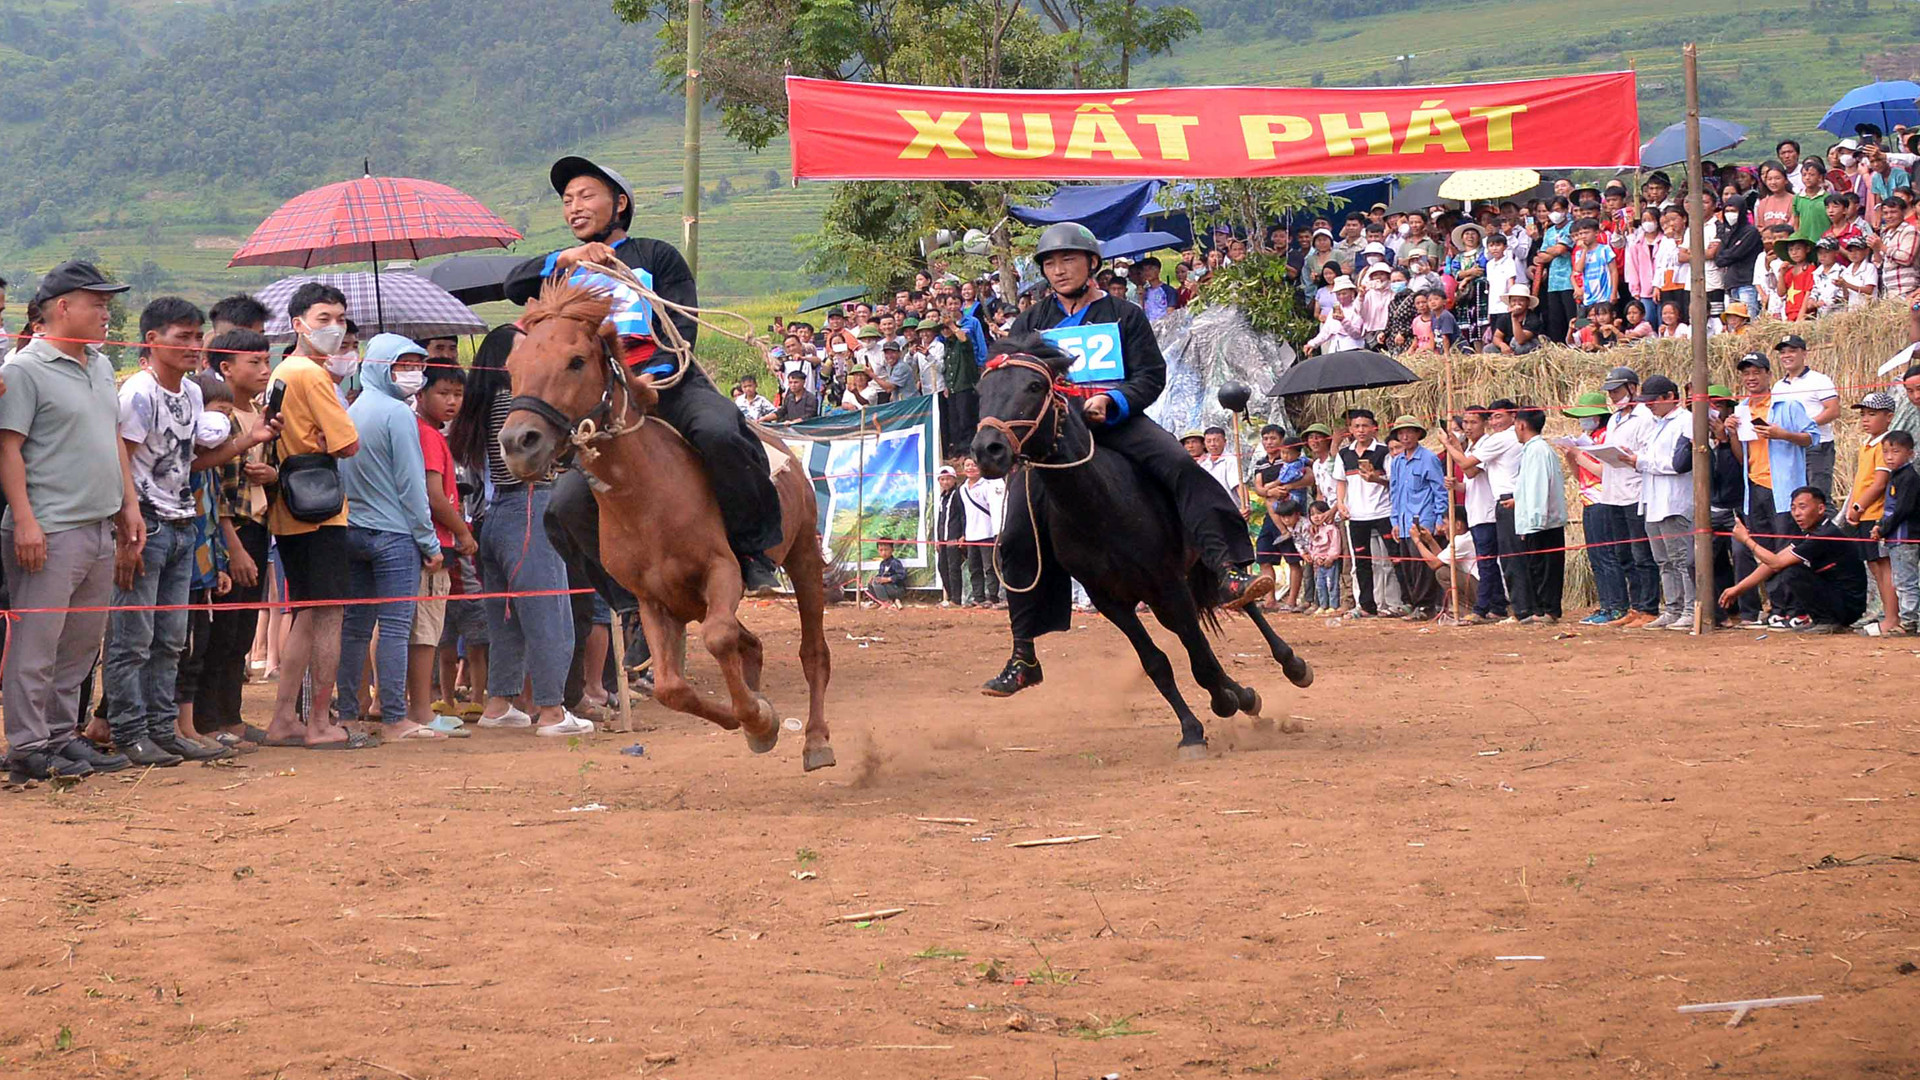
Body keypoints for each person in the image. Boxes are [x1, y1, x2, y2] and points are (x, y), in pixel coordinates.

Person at [982, 222, 1270, 695]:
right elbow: (1009, 377)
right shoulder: (1030, 322)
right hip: (1055, 439)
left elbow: (1150, 376)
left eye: (1068, 260)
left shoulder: (1123, 313)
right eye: (1051, 263)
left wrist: (1113, 401)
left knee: (1181, 467)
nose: (1059, 270)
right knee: (1015, 534)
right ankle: (1023, 654)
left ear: (1091, 264)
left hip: (1118, 423)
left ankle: (1230, 569)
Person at [504, 156, 782, 596]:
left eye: (586, 195)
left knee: (721, 432)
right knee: (563, 507)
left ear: (619, 204)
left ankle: (751, 550)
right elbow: (513, 284)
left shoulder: (656, 255)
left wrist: (654, 377)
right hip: (604, 406)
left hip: (666, 385)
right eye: (567, 199)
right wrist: (568, 256)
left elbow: (680, 328)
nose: (574, 206)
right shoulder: (564, 273)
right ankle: (627, 604)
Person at [106, 298, 276, 766]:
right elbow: (120, 455)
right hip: (146, 524)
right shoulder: (138, 393)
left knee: (170, 638)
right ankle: (129, 731)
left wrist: (246, 441)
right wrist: (127, 519)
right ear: (151, 341)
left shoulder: (191, 395)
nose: (192, 345)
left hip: (183, 523)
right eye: (182, 337)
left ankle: (162, 729)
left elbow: (191, 463)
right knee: (133, 637)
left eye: (196, 336)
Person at [0, 264, 149, 780]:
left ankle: (63, 737)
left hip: (98, 525)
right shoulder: (24, 369)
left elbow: (112, 439)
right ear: (63, 307)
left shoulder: (101, 367)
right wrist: (24, 520)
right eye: (98, 303)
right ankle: (26, 745)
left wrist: (128, 505)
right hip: (49, 527)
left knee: (81, 644)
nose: (107, 314)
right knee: (37, 643)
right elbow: (9, 448)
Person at [448, 325, 584, 735]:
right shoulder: (515, 402)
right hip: (528, 503)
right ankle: (552, 710)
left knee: (504, 618)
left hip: (492, 516)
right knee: (549, 613)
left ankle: (499, 703)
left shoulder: (481, 401)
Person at [259, 283, 369, 750]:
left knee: (306, 612)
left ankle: (286, 717)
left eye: (339, 319)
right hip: (321, 510)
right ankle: (320, 720)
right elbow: (348, 442)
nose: (335, 328)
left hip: (288, 506)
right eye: (324, 318)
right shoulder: (312, 374)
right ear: (298, 324)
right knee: (328, 615)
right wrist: (329, 440)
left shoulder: (282, 370)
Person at [334, 334, 448, 742]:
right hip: (396, 535)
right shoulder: (399, 416)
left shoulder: (352, 408)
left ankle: (349, 712)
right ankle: (395, 716)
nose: (414, 373)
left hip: (353, 530)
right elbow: (412, 487)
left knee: (355, 628)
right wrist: (429, 543)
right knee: (396, 627)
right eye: (404, 365)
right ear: (383, 366)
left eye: (418, 364)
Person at [197, 330, 277, 746]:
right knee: (222, 630)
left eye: (267, 361)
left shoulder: (263, 414)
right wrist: (235, 548)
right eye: (255, 363)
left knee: (243, 630)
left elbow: (268, 471)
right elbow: (218, 489)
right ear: (226, 367)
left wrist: (272, 474)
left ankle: (231, 715)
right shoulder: (220, 419)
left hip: (259, 525)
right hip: (234, 533)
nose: (265, 371)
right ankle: (210, 720)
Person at [1726, 351, 1823, 629]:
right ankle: (1777, 608)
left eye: (1756, 372)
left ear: (1769, 374)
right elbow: (1742, 457)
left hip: (1784, 490)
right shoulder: (1742, 409)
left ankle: (1797, 608)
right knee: (1764, 550)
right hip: (1755, 487)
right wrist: (1732, 433)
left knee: (1786, 549)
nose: (1751, 378)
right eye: (1746, 373)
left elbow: (1812, 438)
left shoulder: (1787, 405)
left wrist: (1783, 435)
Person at [410, 362, 474, 731]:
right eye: (443, 393)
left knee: (425, 628)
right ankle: (421, 711)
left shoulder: (430, 432)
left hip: (432, 539)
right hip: (436, 542)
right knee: (426, 631)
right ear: (420, 395)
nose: (452, 402)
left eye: (458, 394)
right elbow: (435, 495)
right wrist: (462, 533)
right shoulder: (429, 436)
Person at [1720, 488, 1866, 633]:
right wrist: (1738, 589)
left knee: (1792, 571)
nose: (1797, 514)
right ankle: (1820, 619)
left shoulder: (1824, 535)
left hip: (1848, 607)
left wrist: (1747, 540)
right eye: (1793, 508)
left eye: (1802, 507)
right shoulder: (1810, 533)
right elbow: (1771, 565)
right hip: (1835, 599)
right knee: (1791, 569)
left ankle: (1827, 621)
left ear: (1821, 508)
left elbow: (1776, 563)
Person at [1621, 375, 1696, 631]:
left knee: (1682, 559)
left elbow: (1680, 464)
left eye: (1653, 400)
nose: (1649, 405)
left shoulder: (1686, 422)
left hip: (1675, 501)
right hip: (1653, 500)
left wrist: (1641, 462)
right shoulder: (1656, 424)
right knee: (1663, 560)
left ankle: (1690, 608)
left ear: (1670, 397)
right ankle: (1673, 608)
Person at [1442, 401, 1527, 622]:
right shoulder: (1473, 447)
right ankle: (1497, 604)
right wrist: (1456, 484)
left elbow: (1468, 465)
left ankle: (1484, 607)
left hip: (1489, 510)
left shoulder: (1490, 443)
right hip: (1476, 510)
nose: (1468, 427)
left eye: (1473, 422)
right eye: (1466, 423)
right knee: (1486, 561)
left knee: (1488, 561)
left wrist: (1449, 446)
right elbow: (1470, 477)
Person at [1844, 392, 1900, 636]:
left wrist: (1858, 508)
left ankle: (1892, 619)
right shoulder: (1869, 444)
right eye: (1863, 414)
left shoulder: (1886, 445)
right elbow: (1861, 481)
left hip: (1874, 514)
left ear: (1889, 417)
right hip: (1864, 514)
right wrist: (1852, 506)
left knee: (1883, 566)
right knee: (1875, 567)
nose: (1866, 419)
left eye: (1872, 414)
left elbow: (1879, 484)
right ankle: (1888, 616)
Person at [1385, 414, 1448, 620]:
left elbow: (1439, 490)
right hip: (1403, 521)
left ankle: (1425, 605)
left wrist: (1439, 519)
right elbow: (1394, 492)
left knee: (1423, 564)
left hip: (1423, 519)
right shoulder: (1397, 462)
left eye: (1409, 432)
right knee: (1408, 564)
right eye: (1401, 433)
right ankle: (1414, 602)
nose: (1405, 437)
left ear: (1418, 434)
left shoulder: (1428, 458)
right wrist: (1394, 521)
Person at [1334, 409, 1392, 618]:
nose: (1360, 430)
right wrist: (1340, 504)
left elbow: (1393, 482)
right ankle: (1367, 605)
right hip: (1356, 515)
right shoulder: (1344, 454)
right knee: (1361, 562)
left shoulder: (1384, 451)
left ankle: (1397, 603)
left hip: (1383, 511)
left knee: (1393, 560)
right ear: (1350, 429)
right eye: (1356, 426)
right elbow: (1341, 481)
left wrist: (1376, 479)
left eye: (1365, 426)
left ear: (1374, 428)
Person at [1511, 407, 1567, 623]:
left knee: (1546, 568)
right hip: (1537, 521)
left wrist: (1534, 522)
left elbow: (1537, 488)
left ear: (1522, 425)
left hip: (1543, 523)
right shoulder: (1532, 450)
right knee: (1537, 567)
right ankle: (1540, 609)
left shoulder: (1538, 451)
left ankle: (1548, 610)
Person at [1769, 334, 1841, 496]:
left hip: (1817, 445)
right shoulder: (1778, 386)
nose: (1787, 355)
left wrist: (1805, 427)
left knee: (1818, 497)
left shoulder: (1819, 380)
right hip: (1790, 447)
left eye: (1792, 351)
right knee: (1795, 496)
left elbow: (1833, 410)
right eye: (1783, 352)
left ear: (1804, 353)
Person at [1873, 430, 1918, 634]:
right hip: (1894, 536)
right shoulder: (1896, 476)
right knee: (1902, 580)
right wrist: (1880, 525)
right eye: (1886, 452)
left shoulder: (1909, 477)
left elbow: (1902, 509)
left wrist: (1884, 528)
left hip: (1905, 536)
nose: (1890, 457)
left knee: (1906, 581)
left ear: (1910, 453)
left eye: (1896, 452)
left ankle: (1910, 621)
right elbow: (1890, 508)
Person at [1407, 506, 1478, 622]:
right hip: (1475, 583)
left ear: (1458, 525)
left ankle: (1466, 608)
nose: (1443, 529)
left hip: (1477, 586)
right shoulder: (1463, 539)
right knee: (1444, 569)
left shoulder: (1462, 540)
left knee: (1442, 573)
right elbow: (1441, 559)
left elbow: (1435, 564)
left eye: (1445, 524)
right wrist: (1430, 541)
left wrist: (1417, 541)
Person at [959, 456, 1003, 608]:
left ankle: (993, 596)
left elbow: (995, 508)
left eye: (974, 465)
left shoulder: (987, 485)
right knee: (974, 567)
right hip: (971, 534)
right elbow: (964, 513)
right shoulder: (963, 489)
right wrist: (964, 533)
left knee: (990, 567)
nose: (970, 468)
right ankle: (978, 597)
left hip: (987, 533)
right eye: (967, 465)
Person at [932, 464, 966, 607]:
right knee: (942, 567)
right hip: (943, 539)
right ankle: (950, 595)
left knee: (953, 568)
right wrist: (938, 539)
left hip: (953, 536)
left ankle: (956, 599)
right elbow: (940, 520)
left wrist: (963, 534)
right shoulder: (942, 497)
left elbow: (963, 515)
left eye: (948, 479)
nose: (945, 482)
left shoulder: (957, 494)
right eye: (942, 479)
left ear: (954, 480)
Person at [1304, 500, 1343, 615]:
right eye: (1312, 514)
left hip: (1331, 562)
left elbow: (1335, 545)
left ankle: (1333, 605)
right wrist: (1316, 558)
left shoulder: (1332, 529)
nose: (1316, 517)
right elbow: (1312, 547)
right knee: (1320, 584)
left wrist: (1330, 558)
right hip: (1319, 563)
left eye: (1319, 513)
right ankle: (1323, 605)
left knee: (1332, 584)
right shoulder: (1313, 531)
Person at [1199, 425, 1241, 502]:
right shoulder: (1203, 463)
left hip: (1229, 507)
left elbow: (1238, 485)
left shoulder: (1230, 460)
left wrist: (1246, 505)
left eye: (1216, 440)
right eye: (1209, 441)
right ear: (1204, 443)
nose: (1212, 444)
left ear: (1224, 442)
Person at [866, 540, 907, 607]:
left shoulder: (895, 562)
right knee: (871, 583)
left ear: (892, 550)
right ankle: (878, 602)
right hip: (886, 588)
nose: (884, 553)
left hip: (897, 589)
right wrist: (876, 578)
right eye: (881, 550)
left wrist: (889, 579)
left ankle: (886, 602)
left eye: (886, 550)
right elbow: (881, 575)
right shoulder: (882, 564)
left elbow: (902, 575)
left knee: (876, 583)